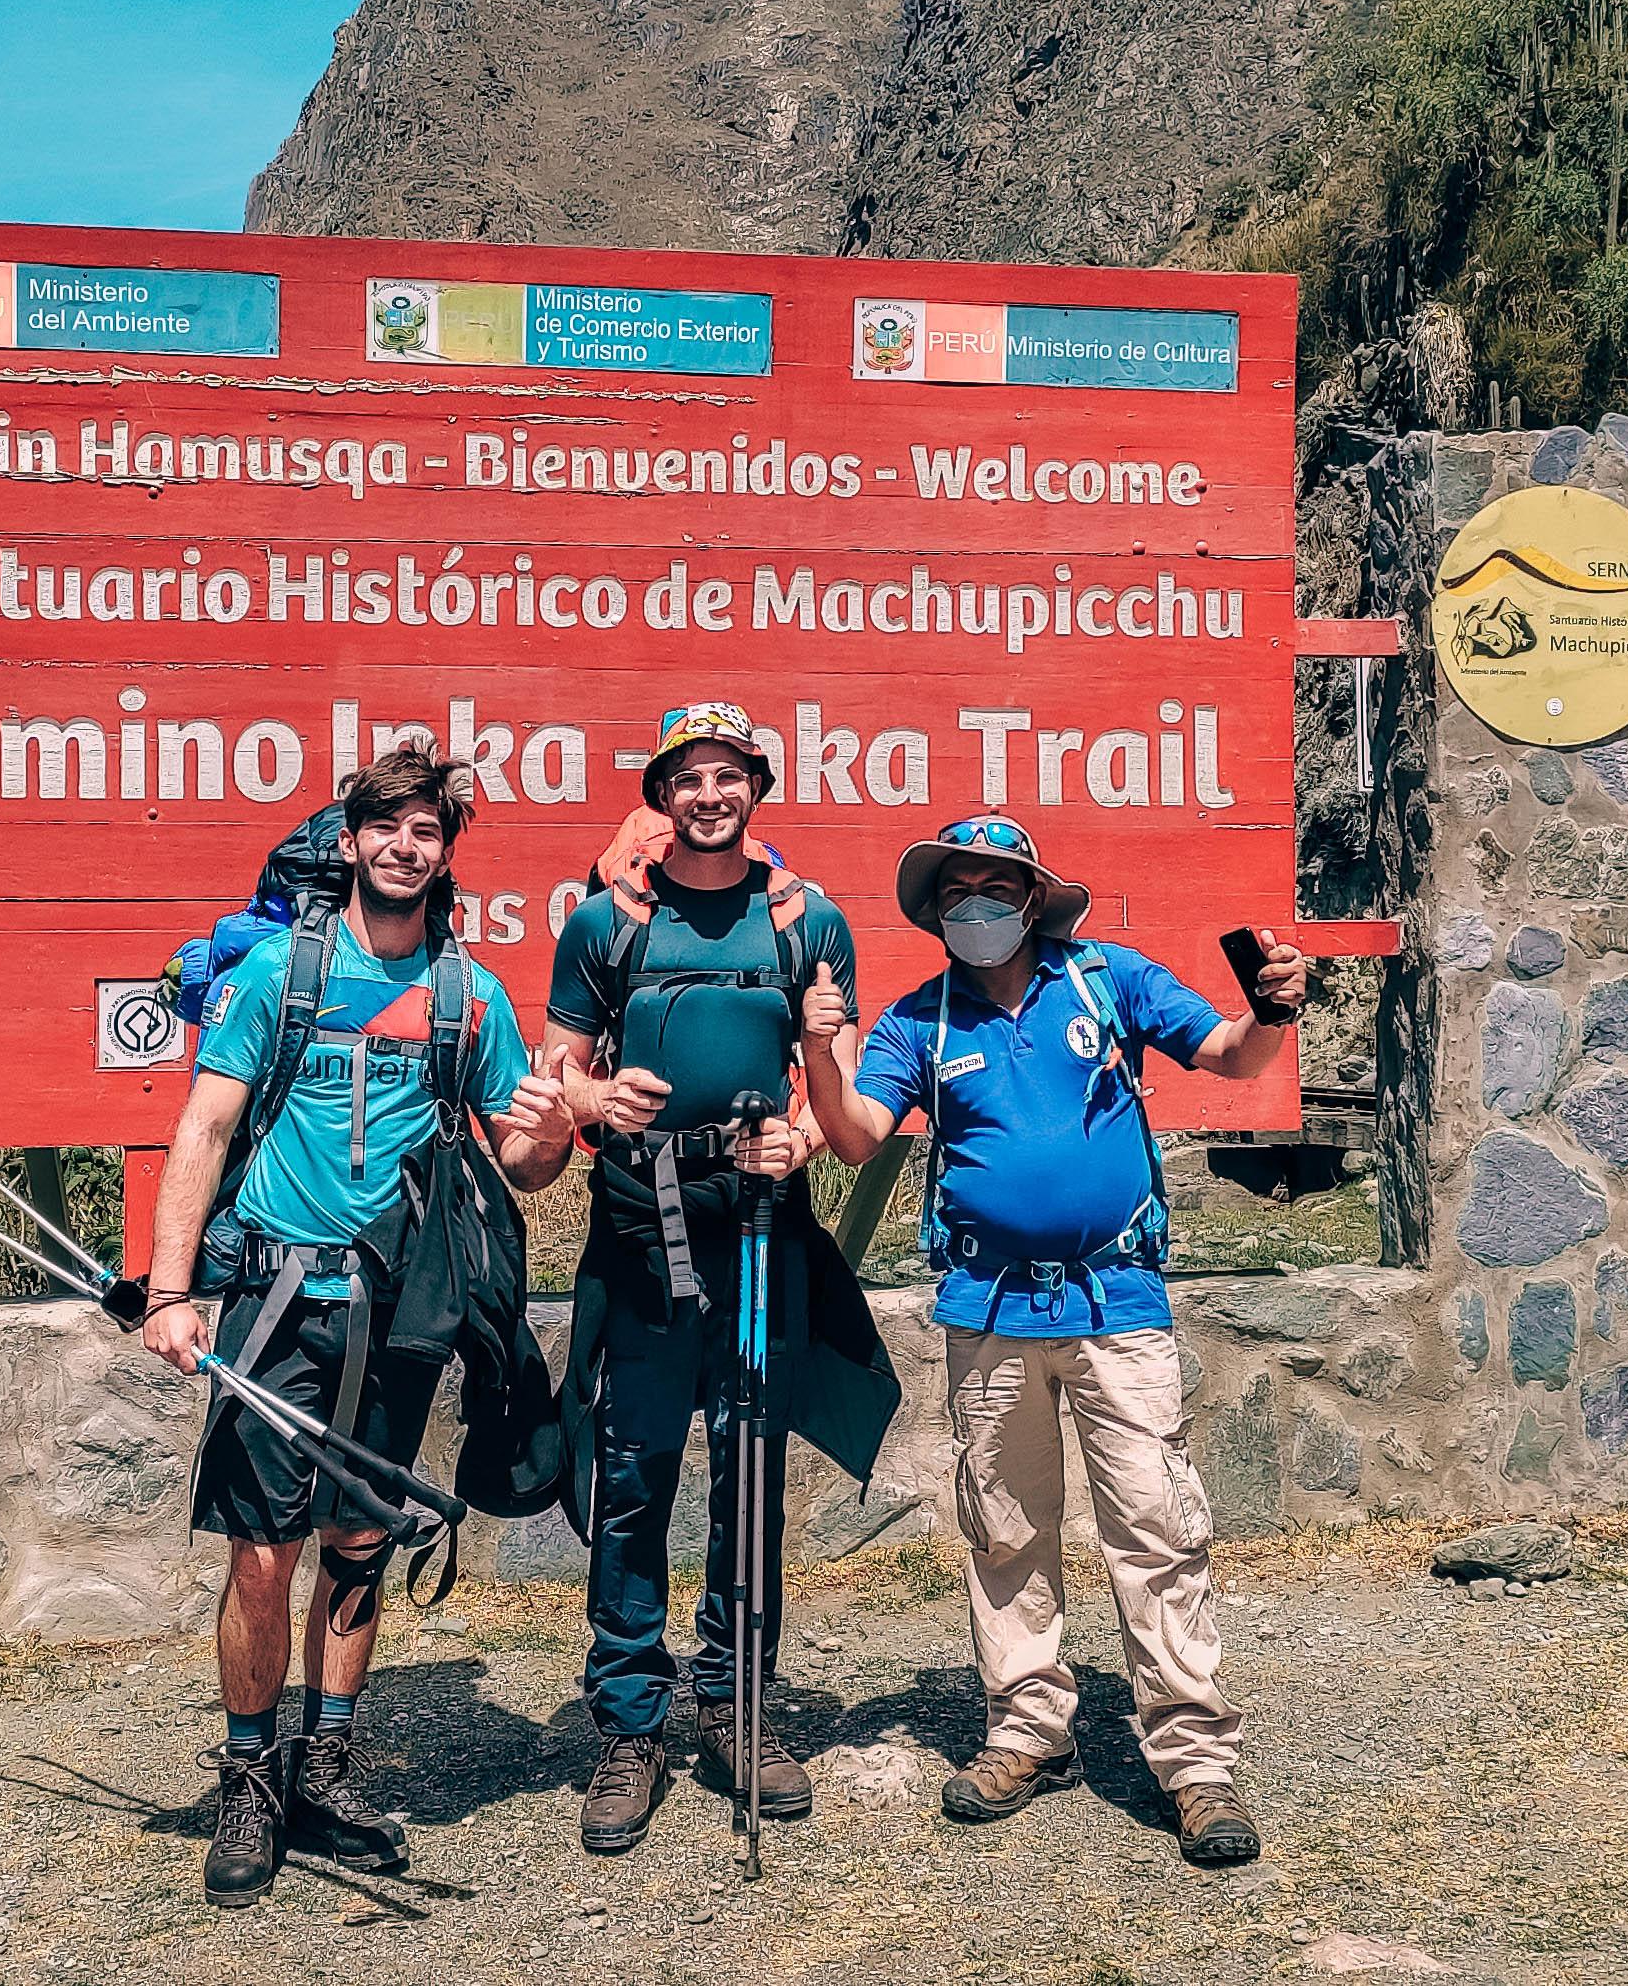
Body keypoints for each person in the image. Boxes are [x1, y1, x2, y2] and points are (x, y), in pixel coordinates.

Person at [798, 813, 1311, 1869]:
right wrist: (816, 1046)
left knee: (1155, 1526)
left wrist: (1270, 1012)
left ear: (1034, 899)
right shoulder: (916, 1021)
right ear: (936, 914)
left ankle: (1195, 1762)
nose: (972, 909)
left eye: (993, 889)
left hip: (1116, 1301)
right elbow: (853, 1136)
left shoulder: (1106, 979)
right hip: (986, 1310)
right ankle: (1026, 1730)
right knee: (1004, 1530)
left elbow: (1223, 1054)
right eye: (953, 895)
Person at [142, 745, 578, 1908]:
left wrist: (550, 1123)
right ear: (350, 842)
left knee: (358, 1545)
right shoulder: (279, 975)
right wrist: (171, 1292)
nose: (403, 847)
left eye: (425, 832)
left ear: (444, 851)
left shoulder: (467, 993)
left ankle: (327, 1767)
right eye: (384, 827)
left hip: (400, 1314)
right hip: (281, 1301)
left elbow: (524, 1164)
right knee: (260, 1552)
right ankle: (250, 1779)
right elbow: (203, 1130)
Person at [540, 701, 902, 1856]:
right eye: (687, 777)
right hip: (642, 1227)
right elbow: (561, 1073)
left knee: (747, 1474)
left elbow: (830, 1088)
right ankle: (631, 1725)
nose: (708, 795)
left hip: (758, 1226)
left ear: (757, 788)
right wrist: (596, 1104)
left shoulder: (808, 922)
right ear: (661, 791)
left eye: (729, 776)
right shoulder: (606, 925)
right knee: (637, 1474)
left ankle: (739, 1702)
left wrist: (793, 1132)